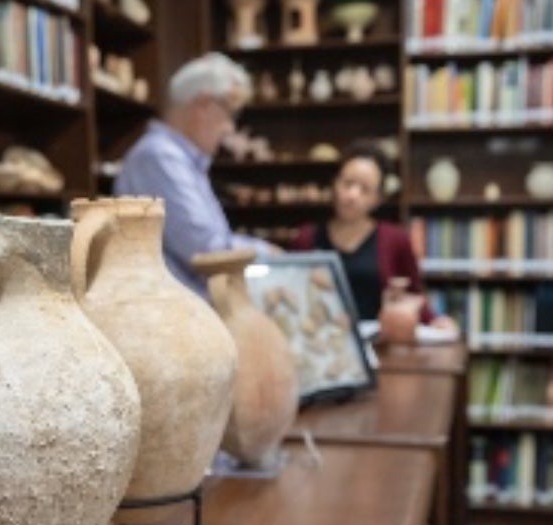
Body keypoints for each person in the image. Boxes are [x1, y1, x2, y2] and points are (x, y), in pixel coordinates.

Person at [114, 52, 277, 297]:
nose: (230, 128)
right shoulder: (159, 156)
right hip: (172, 320)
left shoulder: (183, 160)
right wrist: (269, 254)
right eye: (230, 114)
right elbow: (206, 251)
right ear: (203, 106)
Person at [292, 143, 458, 331]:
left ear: (377, 199)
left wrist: (436, 321)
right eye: (347, 184)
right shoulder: (305, 238)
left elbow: (414, 296)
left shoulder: (396, 240)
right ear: (334, 184)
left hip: (379, 347)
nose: (352, 195)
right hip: (320, 344)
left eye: (365, 189)